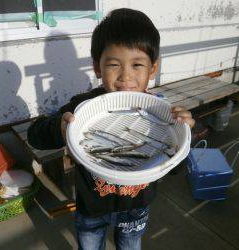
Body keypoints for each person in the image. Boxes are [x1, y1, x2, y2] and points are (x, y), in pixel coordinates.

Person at [28, 8, 195, 250]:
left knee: (130, 245)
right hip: (91, 209)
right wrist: (59, 127)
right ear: (97, 67)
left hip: (136, 210)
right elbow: (35, 135)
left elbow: (175, 167)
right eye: (114, 65)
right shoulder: (82, 107)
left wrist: (184, 136)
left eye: (137, 64)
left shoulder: (162, 115)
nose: (126, 77)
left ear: (153, 68)